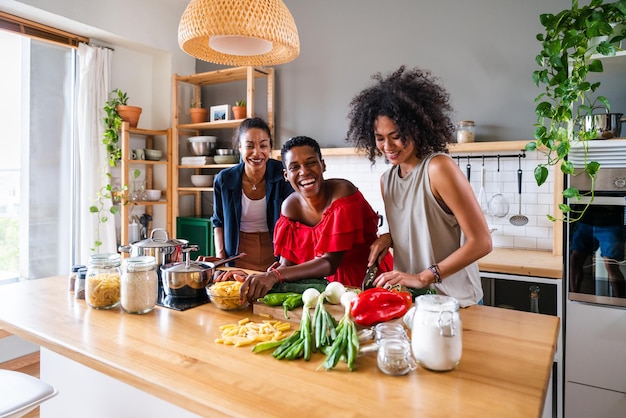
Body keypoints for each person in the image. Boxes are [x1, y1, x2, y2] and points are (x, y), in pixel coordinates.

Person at [345, 65, 492, 307]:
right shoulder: (387, 181)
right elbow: (420, 227)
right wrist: (389, 238)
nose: (387, 146)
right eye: (380, 138)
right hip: (413, 301)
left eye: (396, 135)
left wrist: (423, 276)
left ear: (416, 128)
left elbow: (482, 242)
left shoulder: (438, 168)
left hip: (455, 302)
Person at [232, 136, 392, 302]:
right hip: (323, 290)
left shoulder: (342, 192)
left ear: (322, 165)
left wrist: (275, 275)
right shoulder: (290, 207)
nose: (304, 171)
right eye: (294, 167)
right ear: (286, 175)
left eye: (310, 163)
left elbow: (330, 263)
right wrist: (266, 276)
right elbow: (287, 264)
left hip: (370, 282)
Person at [210, 117, 294, 271]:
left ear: (269, 147)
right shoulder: (224, 179)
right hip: (238, 254)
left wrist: (285, 263)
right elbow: (218, 222)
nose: (257, 153)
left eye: (263, 145)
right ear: (239, 147)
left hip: (276, 253)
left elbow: (293, 222)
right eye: (249, 146)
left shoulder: (283, 175)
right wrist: (221, 259)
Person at [569, 204, 625, 298]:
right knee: (574, 260)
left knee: (611, 264)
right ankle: (574, 298)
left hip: (611, 221)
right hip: (586, 220)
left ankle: (620, 302)